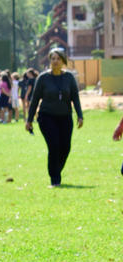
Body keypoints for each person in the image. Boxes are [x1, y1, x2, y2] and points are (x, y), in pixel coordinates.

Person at [26, 46, 83, 187]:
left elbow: (75, 98)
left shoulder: (69, 77)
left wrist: (80, 115)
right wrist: (29, 120)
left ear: (63, 61)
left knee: (65, 148)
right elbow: (35, 100)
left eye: (58, 58)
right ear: (49, 61)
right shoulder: (43, 78)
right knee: (54, 146)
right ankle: (55, 179)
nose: (55, 61)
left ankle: (56, 170)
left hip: (65, 117)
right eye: (53, 59)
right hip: (47, 117)